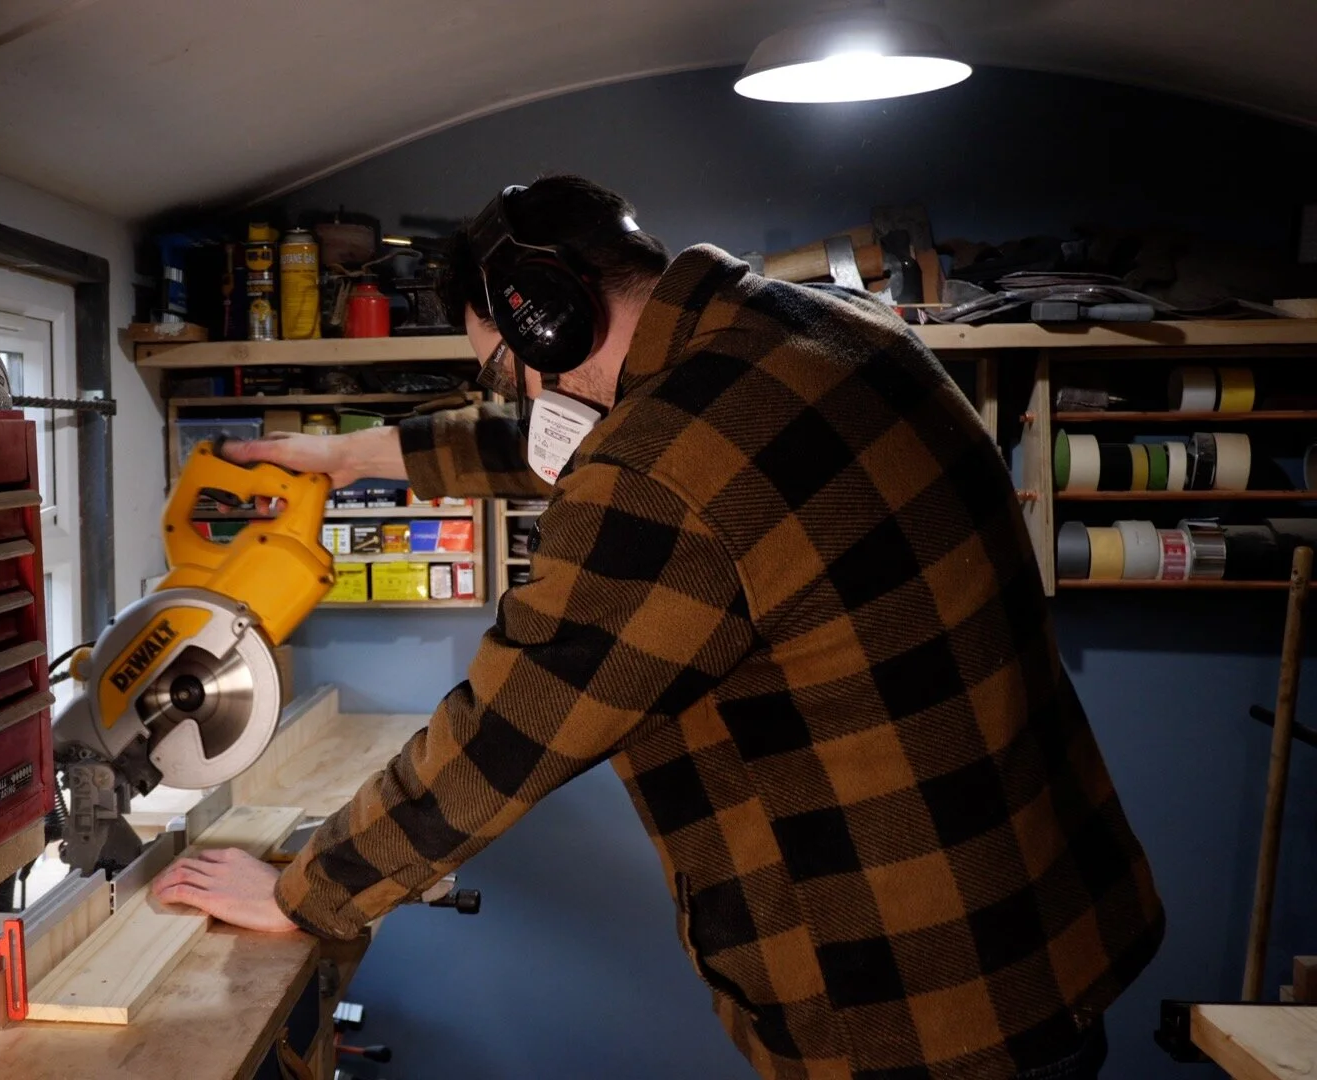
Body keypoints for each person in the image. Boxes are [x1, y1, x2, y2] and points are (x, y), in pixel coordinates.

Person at [152, 176, 1162, 1079]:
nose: (520, 397)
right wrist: (346, 459)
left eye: (507, 371)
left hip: (911, 1010)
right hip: (1044, 933)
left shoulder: (660, 471)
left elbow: (510, 734)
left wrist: (305, 895)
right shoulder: (824, 332)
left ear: (547, 323)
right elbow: (574, 437)